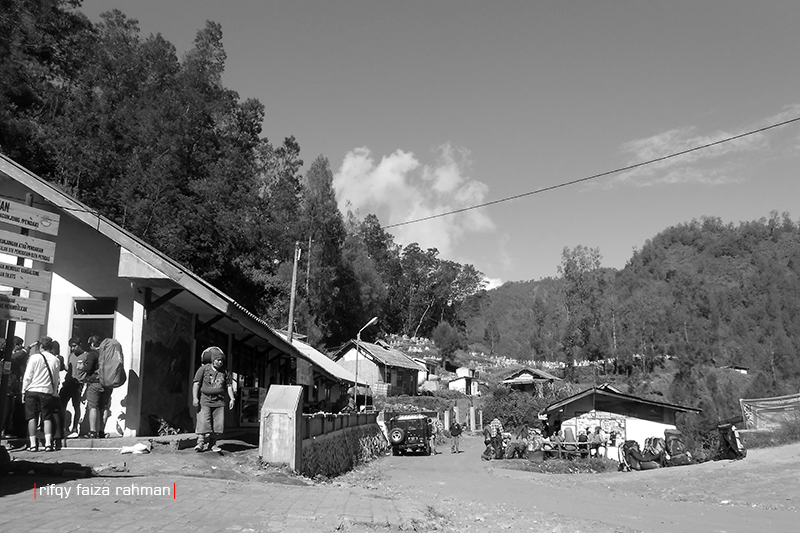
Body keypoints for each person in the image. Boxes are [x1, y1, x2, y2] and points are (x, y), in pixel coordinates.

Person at [21, 336, 61, 452]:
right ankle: (48, 443)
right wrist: (53, 392)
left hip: (32, 390)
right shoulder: (55, 360)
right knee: (47, 417)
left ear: (41, 346)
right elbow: (55, 379)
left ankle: (33, 444)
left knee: (31, 417)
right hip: (47, 391)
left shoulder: (34, 358)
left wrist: (23, 391)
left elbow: (28, 376)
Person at [193, 347, 234, 453]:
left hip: (219, 401)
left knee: (218, 424)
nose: (220, 362)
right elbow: (196, 383)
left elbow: (229, 385)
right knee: (203, 422)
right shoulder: (204, 369)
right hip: (205, 400)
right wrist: (195, 398)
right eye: (217, 360)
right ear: (213, 360)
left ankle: (213, 444)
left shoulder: (225, 371)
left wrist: (232, 398)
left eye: (221, 360)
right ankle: (200, 443)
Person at [1, 337, 28, 439]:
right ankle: (3, 430)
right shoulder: (7, 356)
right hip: (6, 387)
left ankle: (7, 430)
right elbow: (14, 358)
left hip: (11, 387)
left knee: (10, 410)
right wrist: (26, 350)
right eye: (19, 345)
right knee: (6, 410)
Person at [83, 335, 108, 439]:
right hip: (107, 384)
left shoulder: (92, 354)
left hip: (95, 383)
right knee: (104, 408)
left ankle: (93, 432)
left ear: (93, 344)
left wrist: (82, 367)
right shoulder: (107, 353)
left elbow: (88, 368)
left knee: (93, 407)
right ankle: (102, 431)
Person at [59, 337, 85, 437]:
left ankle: (75, 428)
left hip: (78, 384)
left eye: (74, 346)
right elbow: (69, 369)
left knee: (76, 407)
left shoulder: (86, 356)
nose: (73, 348)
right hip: (68, 383)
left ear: (80, 345)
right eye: (71, 347)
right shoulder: (71, 356)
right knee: (62, 405)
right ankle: (62, 427)